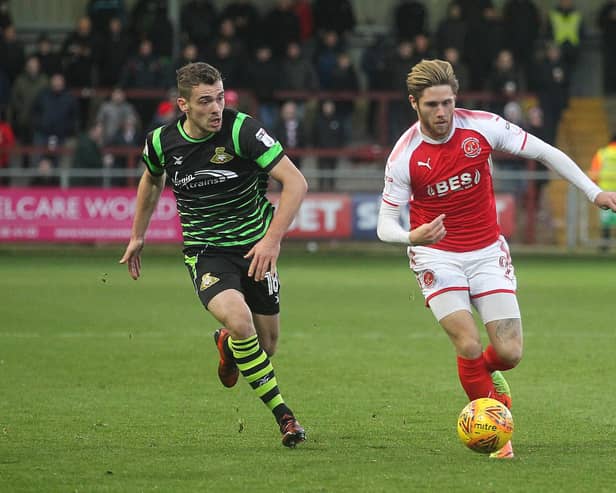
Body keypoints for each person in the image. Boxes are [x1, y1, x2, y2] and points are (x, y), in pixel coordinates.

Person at [376, 59, 616, 459]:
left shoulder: (482, 126)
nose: (442, 113)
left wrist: (595, 193)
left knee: (509, 353)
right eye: (433, 105)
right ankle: (497, 434)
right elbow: (385, 224)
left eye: (448, 103)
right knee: (467, 343)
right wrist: (410, 236)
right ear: (414, 103)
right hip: (436, 255)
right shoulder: (405, 156)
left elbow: (546, 152)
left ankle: (486, 373)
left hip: (487, 251)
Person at [119, 62, 308, 447]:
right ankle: (284, 416)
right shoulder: (160, 142)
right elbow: (151, 179)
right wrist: (138, 234)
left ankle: (226, 345)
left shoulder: (243, 130)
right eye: (205, 101)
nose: (216, 108)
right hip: (207, 253)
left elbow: (296, 182)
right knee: (243, 324)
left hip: (257, 249)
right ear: (183, 105)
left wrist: (272, 241)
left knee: (266, 346)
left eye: (220, 97)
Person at [589, 134, 616, 251]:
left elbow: (594, 173)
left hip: (606, 191)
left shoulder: (602, 153)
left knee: (606, 221)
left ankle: (604, 245)